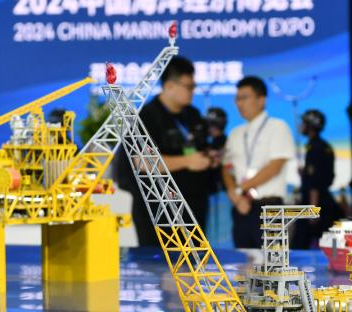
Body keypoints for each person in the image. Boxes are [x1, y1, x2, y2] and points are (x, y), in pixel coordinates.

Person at [118, 56, 217, 246]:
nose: (192, 91)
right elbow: (142, 162)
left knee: (194, 261)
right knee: (160, 262)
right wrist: (188, 161)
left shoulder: (192, 115)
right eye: (188, 86)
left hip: (193, 206)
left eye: (193, 86)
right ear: (169, 85)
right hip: (159, 210)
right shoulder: (146, 117)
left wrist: (209, 157)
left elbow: (198, 149)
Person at [222, 76, 296, 248]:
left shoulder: (278, 127)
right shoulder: (235, 133)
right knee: (243, 259)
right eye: (237, 99)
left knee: (272, 259)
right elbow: (227, 168)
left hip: (269, 207)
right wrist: (234, 194)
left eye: (244, 97)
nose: (239, 103)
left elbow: (274, 167)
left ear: (261, 99)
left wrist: (241, 189)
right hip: (241, 206)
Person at [292, 109, 341, 248]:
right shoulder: (324, 146)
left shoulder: (315, 148)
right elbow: (323, 176)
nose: (301, 126)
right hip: (325, 205)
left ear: (310, 126)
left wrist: (313, 209)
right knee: (330, 248)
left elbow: (315, 183)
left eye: (304, 123)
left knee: (298, 247)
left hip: (315, 205)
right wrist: (304, 175)